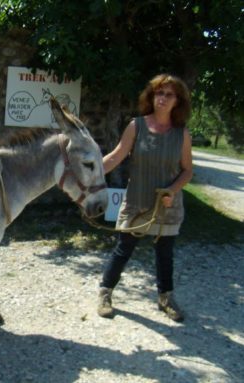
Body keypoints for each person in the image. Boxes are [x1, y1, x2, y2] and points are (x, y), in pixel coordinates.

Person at [97, 73, 193, 322]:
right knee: (123, 250)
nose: (162, 98)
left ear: (177, 100)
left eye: (168, 94)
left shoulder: (182, 135)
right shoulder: (136, 126)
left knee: (165, 253)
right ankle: (105, 293)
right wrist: (90, 173)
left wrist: (172, 190)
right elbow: (116, 156)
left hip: (167, 204)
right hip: (137, 201)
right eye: (158, 93)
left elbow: (187, 170)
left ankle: (166, 298)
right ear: (151, 97)